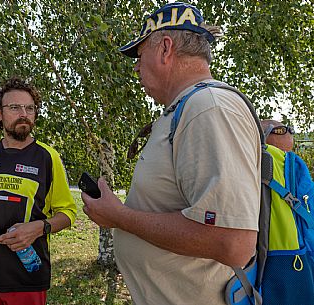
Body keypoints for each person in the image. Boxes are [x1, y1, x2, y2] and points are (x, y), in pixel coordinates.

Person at [81, 2, 261, 305]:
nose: (136, 67)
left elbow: (233, 242)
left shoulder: (208, 108)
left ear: (165, 49)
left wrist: (120, 217)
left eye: (139, 56)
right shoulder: (186, 108)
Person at [0, 76, 77, 305]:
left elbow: (68, 214)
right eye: (15, 107)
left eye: (29, 108)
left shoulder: (47, 157)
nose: (24, 113)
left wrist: (38, 228)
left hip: (28, 277)